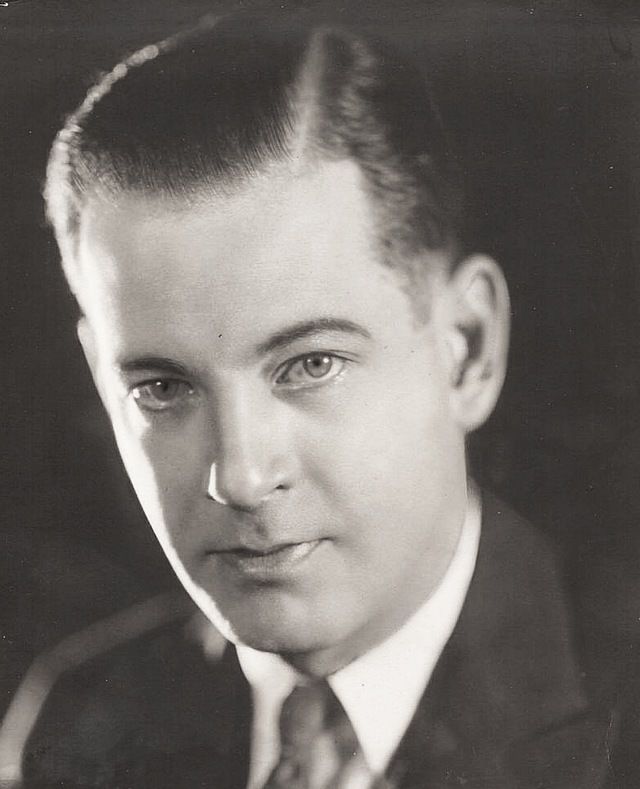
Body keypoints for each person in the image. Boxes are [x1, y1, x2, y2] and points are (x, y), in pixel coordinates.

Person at [0, 11, 617, 788]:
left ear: (467, 349)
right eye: (162, 387)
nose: (241, 477)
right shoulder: (81, 721)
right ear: (103, 379)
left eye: (310, 364)